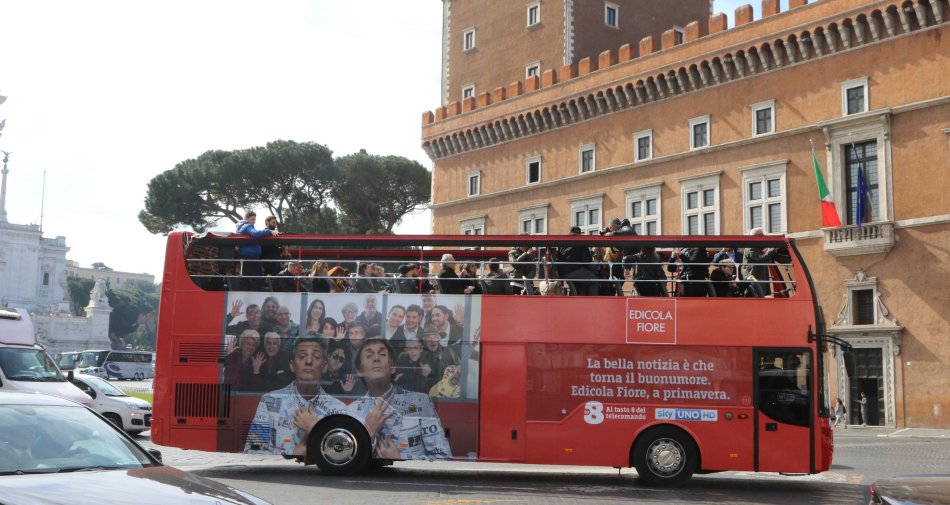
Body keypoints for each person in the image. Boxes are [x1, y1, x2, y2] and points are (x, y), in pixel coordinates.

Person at [347, 338, 453, 460]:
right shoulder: (350, 412)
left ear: (392, 367)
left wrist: (401, 459)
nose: (376, 358)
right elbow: (344, 462)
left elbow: (444, 458)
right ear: (359, 370)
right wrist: (368, 432)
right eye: (369, 355)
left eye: (382, 354)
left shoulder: (420, 402)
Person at [244, 337, 347, 455]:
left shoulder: (339, 410)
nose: (309, 361)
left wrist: (316, 429)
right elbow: (251, 452)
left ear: (324, 366)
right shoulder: (269, 402)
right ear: (292, 365)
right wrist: (292, 454)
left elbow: (343, 455)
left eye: (316, 357)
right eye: (302, 356)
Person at [234, 211, 278, 291]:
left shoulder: (243, 227)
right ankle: (257, 294)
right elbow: (255, 234)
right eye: (252, 219)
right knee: (258, 278)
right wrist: (270, 231)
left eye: (255, 219)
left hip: (247, 258)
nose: (254, 221)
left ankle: (247, 295)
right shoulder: (247, 225)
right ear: (247, 219)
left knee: (247, 279)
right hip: (250, 258)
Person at [420, 324, 460, 394]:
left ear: (439, 338)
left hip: (448, 395)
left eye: (435, 337)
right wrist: (423, 376)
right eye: (429, 337)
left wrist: (459, 372)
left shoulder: (450, 353)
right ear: (424, 339)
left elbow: (462, 373)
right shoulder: (419, 355)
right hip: (426, 394)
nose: (432, 340)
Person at [558, 226, 598, 296]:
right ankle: (593, 300)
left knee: (582, 281)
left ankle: (578, 297)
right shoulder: (581, 242)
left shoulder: (563, 242)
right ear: (579, 233)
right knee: (594, 280)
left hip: (562, 272)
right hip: (573, 271)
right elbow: (587, 261)